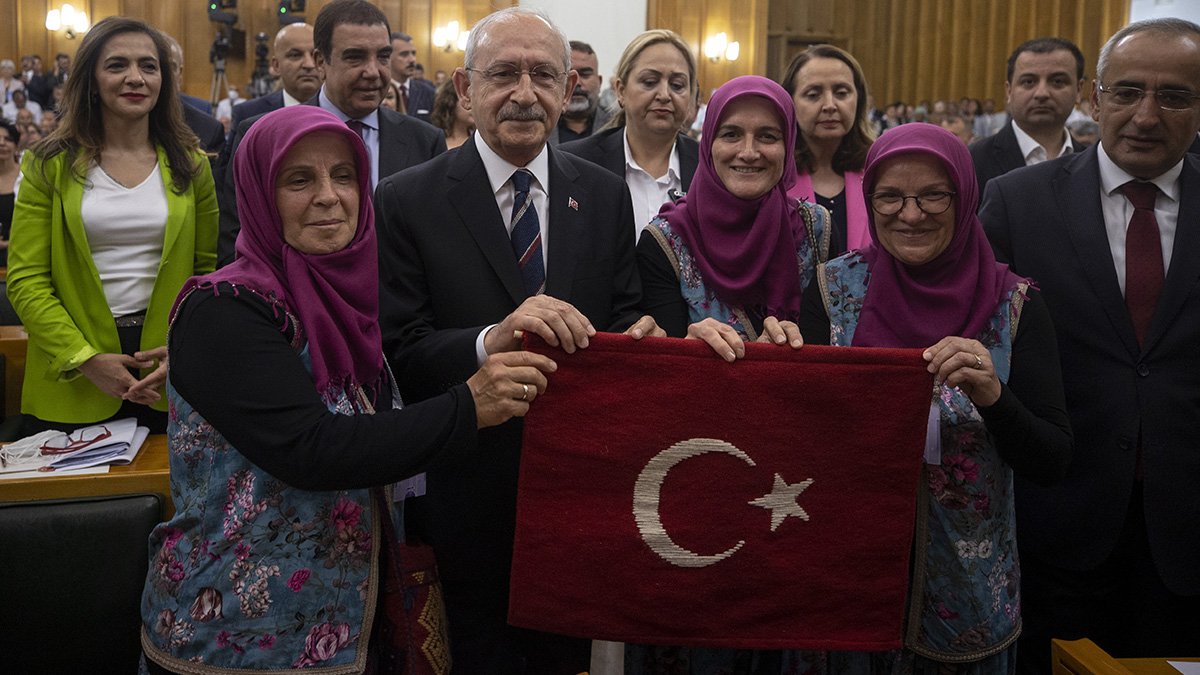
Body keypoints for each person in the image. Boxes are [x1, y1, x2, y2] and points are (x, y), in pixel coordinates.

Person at [139, 104, 555, 674]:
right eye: (298, 179)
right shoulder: (225, 309)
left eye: (344, 176)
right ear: (259, 192)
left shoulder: (350, 298)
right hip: (234, 631)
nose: (330, 196)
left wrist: (491, 341)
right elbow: (312, 448)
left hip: (344, 621)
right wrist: (468, 406)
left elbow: (395, 391)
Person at [374, 7, 662, 671]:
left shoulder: (605, 194)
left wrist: (638, 340)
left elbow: (621, 316)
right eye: (504, 73)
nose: (525, 92)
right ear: (465, 89)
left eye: (544, 75)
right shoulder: (406, 199)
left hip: (579, 490)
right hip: (464, 490)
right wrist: (488, 343)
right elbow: (401, 349)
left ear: (569, 91)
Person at [788, 123, 1072, 674]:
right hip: (842, 585)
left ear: (964, 198)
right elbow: (799, 431)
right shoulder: (830, 290)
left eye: (933, 196)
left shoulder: (1014, 307)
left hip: (965, 598)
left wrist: (994, 396)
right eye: (890, 196)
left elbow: (1052, 458)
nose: (910, 214)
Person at [980, 17, 1200, 672]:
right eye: (1128, 92)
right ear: (1095, 100)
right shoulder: (1017, 203)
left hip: (1188, 530)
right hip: (1058, 519)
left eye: (1175, 96)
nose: (1147, 114)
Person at [627, 75, 829, 674]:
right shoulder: (665, 239)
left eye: (768, 136)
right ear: (707, 142)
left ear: (788, 147)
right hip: (697, 476)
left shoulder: (814, 228)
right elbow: (658, 366)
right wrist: (685, 347)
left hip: (789, 477)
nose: (749, 151)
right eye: (732, 134)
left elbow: (823, 350)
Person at [7, 17, 217, 434]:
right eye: (117, 65)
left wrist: (183, 351)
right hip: (75, 365)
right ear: (91, 78)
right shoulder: (47, 165)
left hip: (170, 366)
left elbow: (208, 274)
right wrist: (84, 358)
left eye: (149, 66)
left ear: (164, 80)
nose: (135, 78)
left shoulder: (192, 165)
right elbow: (26, 280)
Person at [219, 0, 446, 267]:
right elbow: (236, 239)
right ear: (320, 62)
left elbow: (435, 243)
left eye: (383, 56)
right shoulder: (264, 135)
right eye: (355, 57)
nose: (373, 72)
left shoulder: (425, 141)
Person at [560, 29, 700, 241]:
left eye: (677, 85)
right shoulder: (574, 163)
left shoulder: (709, 165)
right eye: (650, 82)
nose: (664, 95)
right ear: (621, 91)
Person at [781, 44, 876, 256]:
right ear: (790, 103)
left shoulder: (878, 172)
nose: (830, 105)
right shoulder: (774, 177)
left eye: (842, 93)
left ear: (858, 100)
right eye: (813, 95)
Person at [970, 38, 1087, 197]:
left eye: (1057, 81)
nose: (1041, 93)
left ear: (1079, 91)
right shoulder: (972, 161)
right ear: (1009, 91)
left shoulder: (1092, 163)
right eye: (1029, 82)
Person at [227, 23, 320, 128]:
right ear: (276, 65)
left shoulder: (340, 110)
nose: (309, 64)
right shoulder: (248, 114)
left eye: (315, 55)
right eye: (295, 55)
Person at [549, 40, 611, 143]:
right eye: (569, 76)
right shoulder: (538, 125)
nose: (576, 82)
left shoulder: (618, 126)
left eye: (585, 74)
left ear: (599, 82)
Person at [390, 30, 436, 121]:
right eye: (404, 54)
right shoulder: (378, 92)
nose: (412, 60)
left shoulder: (428, 92)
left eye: (413, 53)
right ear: (388, 57)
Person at [428, 79, 473, 149]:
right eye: (468, 99)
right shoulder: (433, 141)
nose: (473, 106)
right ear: (451, 102)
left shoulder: (482, 140)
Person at [0, 119, 18, 265]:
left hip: (20, 255)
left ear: (16, 146)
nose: (2, 143)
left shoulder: (28, 176)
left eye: (8, 139)